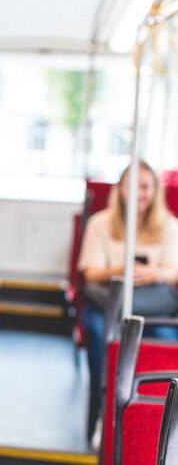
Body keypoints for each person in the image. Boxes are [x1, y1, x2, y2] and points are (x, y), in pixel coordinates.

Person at [78, 160, 178, 438]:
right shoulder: (100, 224)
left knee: (167, 341)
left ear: (154, 190)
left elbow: (173, 272)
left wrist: (153, 274)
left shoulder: (170, 227)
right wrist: (120, 270)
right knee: (101, 337)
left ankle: (162, 414)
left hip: (155, 307)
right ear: (120, 190)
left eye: (145, 187)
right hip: (108, 305)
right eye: (132, 187)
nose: (138, 193)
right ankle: (104, 412)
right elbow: (90, 273)